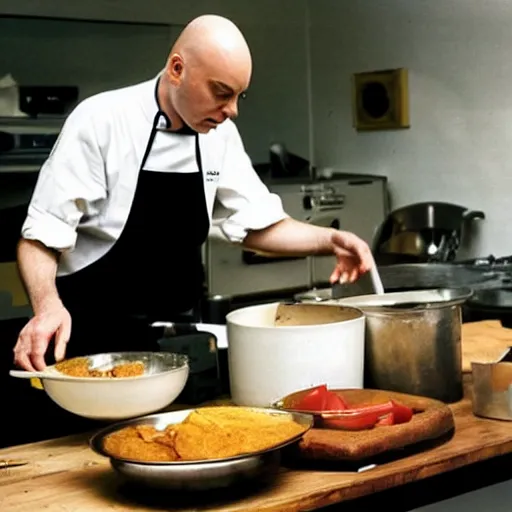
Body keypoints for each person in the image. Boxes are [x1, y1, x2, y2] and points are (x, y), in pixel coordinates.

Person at [13, 14, 374, 373]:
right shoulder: (101, 121)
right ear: (176, 69)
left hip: (176, 343)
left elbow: (256, 224)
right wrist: (47, 308)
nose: (232, 111)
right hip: (93, 341)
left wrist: (332, 239)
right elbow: (41, 235)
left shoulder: (219, 136)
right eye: (221, 93)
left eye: (239, 96)